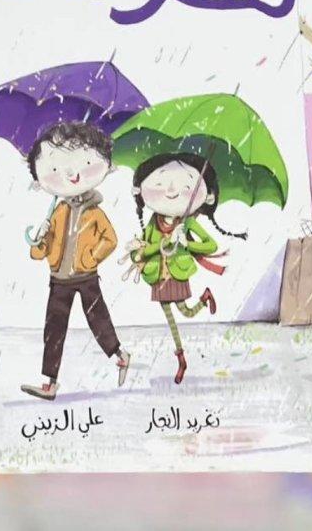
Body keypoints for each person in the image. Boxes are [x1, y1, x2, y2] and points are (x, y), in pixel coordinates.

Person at [21, 121, 130, 400]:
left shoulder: (95, 212)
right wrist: (41, 239)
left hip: (85, 276)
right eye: (56, 168)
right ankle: (49, 382)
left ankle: (119, 355)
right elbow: (39, 253)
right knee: (54, 329)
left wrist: (89, 258)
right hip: (59, 278)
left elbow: (110, 240)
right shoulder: (57, 212)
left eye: (85, 163)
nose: (71, 174)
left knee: (98, 320)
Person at [129, 152, 231, 385]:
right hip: (158, 276)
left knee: (185, 312)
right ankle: (181, 358)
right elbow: (142, 249)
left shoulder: (188, 222)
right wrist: (159, 245)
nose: (172, 190)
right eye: (160, 183)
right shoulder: (154, 221)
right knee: (170, 319)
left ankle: (205, 298)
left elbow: (211, 245)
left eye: (186, 186)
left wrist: (186, 242)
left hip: (177, 274)